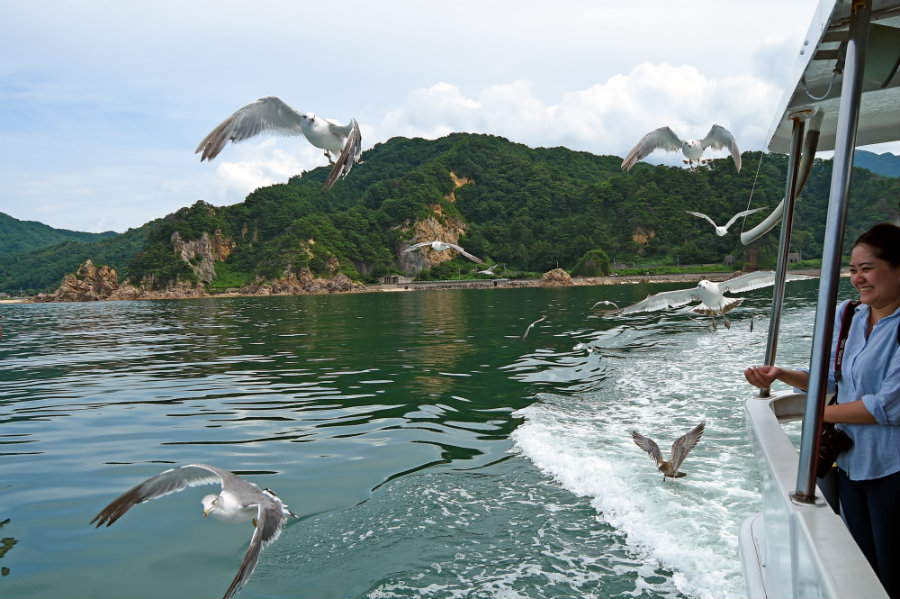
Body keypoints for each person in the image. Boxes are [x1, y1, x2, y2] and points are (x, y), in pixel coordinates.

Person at [744, 222, 900, 599]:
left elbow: (885, 408)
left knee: (893, 572)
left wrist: (817, 417)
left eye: (867, 268)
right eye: (853, 269)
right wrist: (781, 374)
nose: (858, 278)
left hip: (892, 471)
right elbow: (828, 378)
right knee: (861, 562)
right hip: (849, 465)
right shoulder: (850, 316)